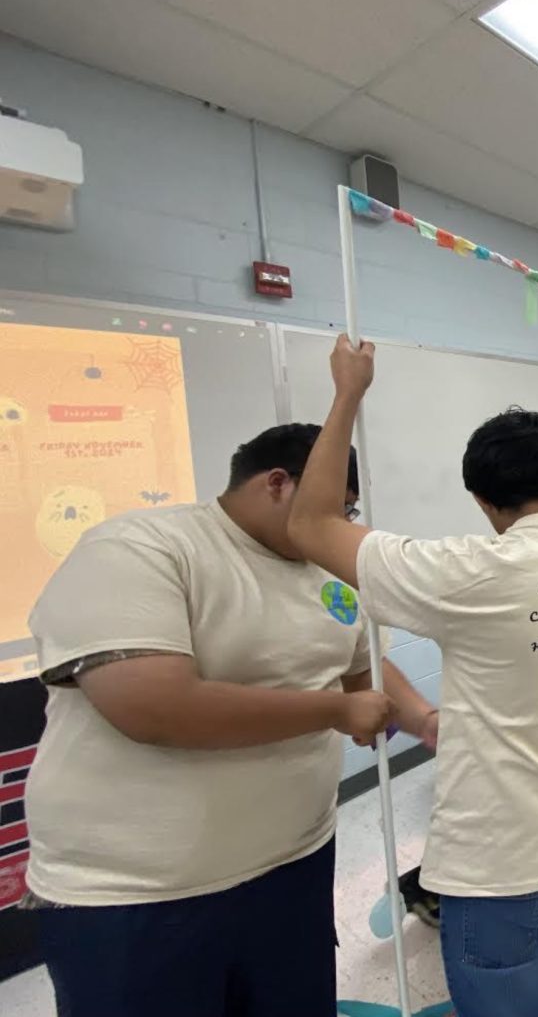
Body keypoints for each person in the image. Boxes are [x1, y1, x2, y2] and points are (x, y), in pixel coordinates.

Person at [287, 335, 538, 1017]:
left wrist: (348, 391)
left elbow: (310, 524)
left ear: (482, 501)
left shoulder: (468, 573)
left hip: (503, 872)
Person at [23, 423, 438, 1017]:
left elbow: (363, 663)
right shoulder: (141, 548)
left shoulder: (325, 574)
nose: (340, 527)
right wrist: (336, 710)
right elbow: (153, 707)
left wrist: (425, 720)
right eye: (335, 508)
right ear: (277, 484)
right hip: (142, 898)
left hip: (293, 868)